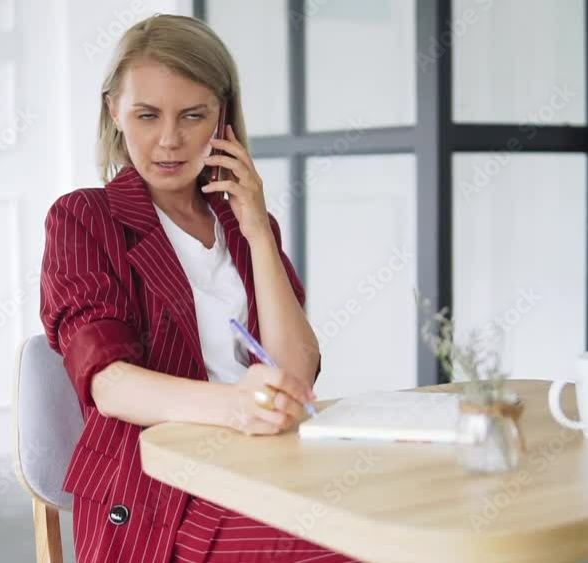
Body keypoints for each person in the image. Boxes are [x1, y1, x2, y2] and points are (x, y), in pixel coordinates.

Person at [40, 13, 354, 563]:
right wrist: (235, 406)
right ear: (113, 109)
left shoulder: (245, 225)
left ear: (222, 116)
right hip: (159, 493)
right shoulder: (84, 219)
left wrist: (257, 228)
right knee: (351, 549)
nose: (169, 140)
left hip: (268, 467)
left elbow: (297, 371)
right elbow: (110, 385)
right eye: (146, 115)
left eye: (193, 115)